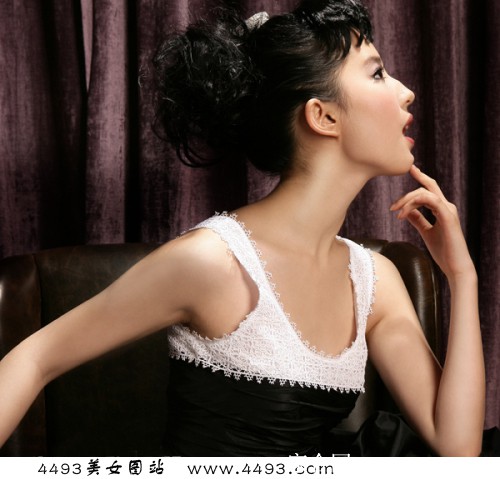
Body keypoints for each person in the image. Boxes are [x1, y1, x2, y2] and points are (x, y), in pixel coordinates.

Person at [0, 0, 484, 456]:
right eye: (377, 73)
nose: (406, 91)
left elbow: (458, 447)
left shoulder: (375, 281)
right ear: (323, 116)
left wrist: (461, 276)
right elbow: (35, 357)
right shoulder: (211, 261)